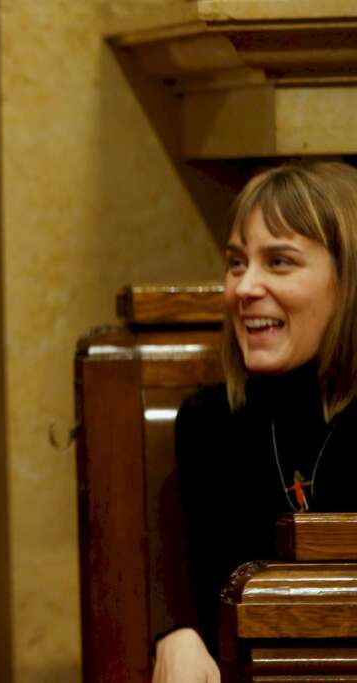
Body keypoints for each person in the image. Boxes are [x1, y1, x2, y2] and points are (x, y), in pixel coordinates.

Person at [152, 160, 357, 682]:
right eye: (237, 263)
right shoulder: (210, 424)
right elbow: (198, 602)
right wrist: (177, 636)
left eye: (280, 262)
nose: (245, 288)